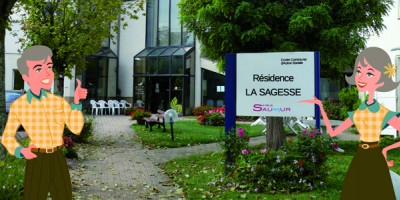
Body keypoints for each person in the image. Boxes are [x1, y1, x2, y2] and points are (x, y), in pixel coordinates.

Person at [301, 47, 399, 199]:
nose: (361, 77)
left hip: (375, 156)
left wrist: (386, 150)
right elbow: (333, 132)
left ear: (381, 81)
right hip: (360, 156)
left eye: (369, 73)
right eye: (359, 71)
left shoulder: (383, 112)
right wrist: (320, 107)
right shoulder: (359, 112)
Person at [1, 45, 87, 200]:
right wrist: (21, 151)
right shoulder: (19, 106)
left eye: (49, 67)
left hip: (58, 158)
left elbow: (76, 128)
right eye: (38, 69)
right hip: (36, 159)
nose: (48, 73)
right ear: (25, 77)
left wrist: (75, 103)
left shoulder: (58, 102)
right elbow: (6, 137)